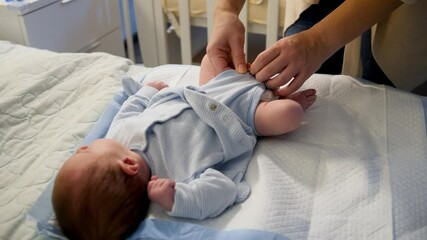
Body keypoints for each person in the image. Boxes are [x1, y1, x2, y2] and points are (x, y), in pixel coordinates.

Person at [51, 55, 317, 240]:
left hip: (207, 89)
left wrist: (145, 93)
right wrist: (177, 200)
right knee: (290, 114)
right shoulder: (175, 178)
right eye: (86, 153)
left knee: (210, 59)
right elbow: (222, 189)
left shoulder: (118, 135)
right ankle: (279, 99)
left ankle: (268, 92)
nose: (81, 148)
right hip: (242, 117)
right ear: (128, 166)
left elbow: (128, 110)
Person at [207, 0, 427, 96]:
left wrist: (318, 43)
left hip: (395, 14)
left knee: (377, 95)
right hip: (317, 4)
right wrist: (225, 11)